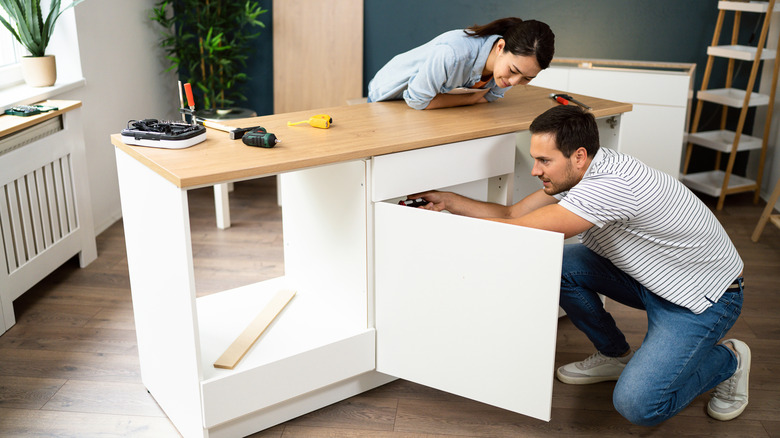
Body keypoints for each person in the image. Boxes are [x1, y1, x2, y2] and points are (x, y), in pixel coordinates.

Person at [411, 105, 749, 426]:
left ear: (579, 156)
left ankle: (730, 361)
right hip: (652, 279)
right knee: (556, 263)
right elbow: (513, 214)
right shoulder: (586, 171)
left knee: (640, 405)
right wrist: (449, 201)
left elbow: (517, 232)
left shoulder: (611, 187)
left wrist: (439, 236)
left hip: (703, 299)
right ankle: (614, 353)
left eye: (544, 160)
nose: (535, 170)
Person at [367, 17, 554, 110]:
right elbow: (417, 100)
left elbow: (490, 98)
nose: (514, 82)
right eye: (513, 71)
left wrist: (475, 99)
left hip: (424, 104)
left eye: (527, 78)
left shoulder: (510, 68)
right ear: (500, 47)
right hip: (388, 97)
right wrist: (470, 99)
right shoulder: (453, 53)